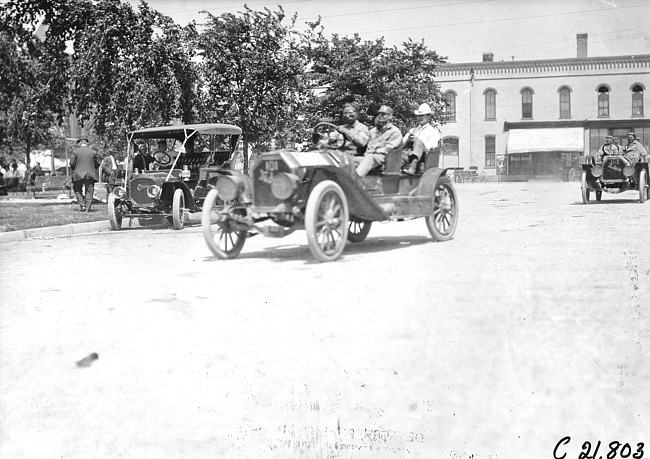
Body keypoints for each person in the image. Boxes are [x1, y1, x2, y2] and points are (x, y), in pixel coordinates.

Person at [354, 105, 403, 178]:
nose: (380, 116)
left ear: (390, 117)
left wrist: (375, 150)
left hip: (384, 159)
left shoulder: (395, 132)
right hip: (367, 157)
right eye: (379, 114)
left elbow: (389, 148)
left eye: (383, 114)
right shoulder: (372, 131)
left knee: (370, 158)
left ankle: (355, 180)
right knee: (349, 159)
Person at [401, 103, 441, 174]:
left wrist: (417, 141)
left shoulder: (433, 132)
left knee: (417, 141)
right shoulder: (413, 130)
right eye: (418, 116)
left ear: (429, 116)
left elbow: (431, 149)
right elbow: (401, 144)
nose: (419, 118)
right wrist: (408, 140)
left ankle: (413, 165)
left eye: (422, 115)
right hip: (409, 155)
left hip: (423, 157)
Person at [70, 137, 100, 211]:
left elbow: (71, 163)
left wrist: (76, 168)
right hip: (90, 174)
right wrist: (92, 168)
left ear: (80, 143)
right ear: (87, 143)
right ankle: (87, 208)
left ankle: (82, 205)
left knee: (77, 189)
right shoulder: (93, 152)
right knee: (89, 191)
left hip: (78, 174)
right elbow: (98, 163)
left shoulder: (75, 152)